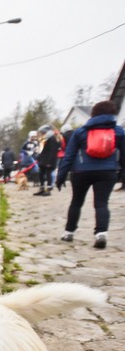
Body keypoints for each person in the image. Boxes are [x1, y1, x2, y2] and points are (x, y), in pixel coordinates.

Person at [56, 100, 125, 250]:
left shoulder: (80, 132)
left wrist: (61, 176)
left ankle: (69, 232)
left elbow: (69, 156)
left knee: (76, 202)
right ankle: (101, 234)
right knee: (101, 203)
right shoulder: (118, 132)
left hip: (81, 171)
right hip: (107, 172)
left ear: (93, 114)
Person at [34, 124, 60, 197]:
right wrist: (39, 158)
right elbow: (44, 150)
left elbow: (52, 151)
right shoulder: (46, 139)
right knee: (41, 173)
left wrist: (49, 162)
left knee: (48, 174)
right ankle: (42, 188)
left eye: (43, 132)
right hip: (44, 159)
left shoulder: (52, 139)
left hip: (49, 160)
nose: (42, 134)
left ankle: (48, 190)